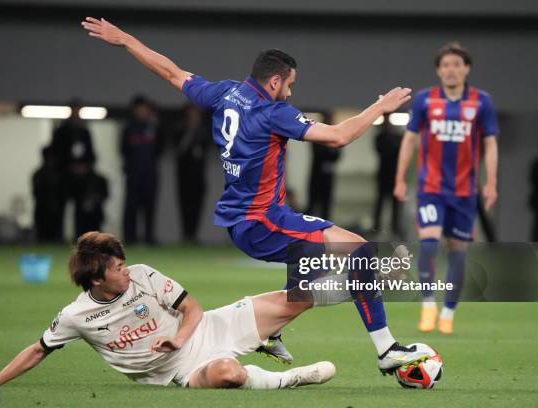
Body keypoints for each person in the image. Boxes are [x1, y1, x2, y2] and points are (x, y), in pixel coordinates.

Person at [82, 17, 424, 374]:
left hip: (247, 220)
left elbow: (171, 72)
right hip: (263, 221)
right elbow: (338, 136)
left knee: (305, 292)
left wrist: (125, 40)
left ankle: (271, 331)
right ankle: (386, 350)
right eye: (289, 85)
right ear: (274, 81)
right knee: (359, 252)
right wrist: (380, 108)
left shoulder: (224, 94)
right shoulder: (274, 112)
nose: (290, 92)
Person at [0, 232, 336, 389]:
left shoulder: (143, 275)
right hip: (183, 369)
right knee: (230, 374)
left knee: (299, 295)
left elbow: (193, 308)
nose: (127, 269)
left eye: (124, 263)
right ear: (96, 280)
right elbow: (39, 348)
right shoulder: (76, 316)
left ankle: (385, 273)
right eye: (118, 268)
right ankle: (292, 379)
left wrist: (178, 338)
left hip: (209, 327)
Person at [394, 42, 499, 334]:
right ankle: (428, 305)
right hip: (431, 188)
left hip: (465, 191)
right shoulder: (426, 100)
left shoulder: (481, 102)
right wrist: (401, 178)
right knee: (428, 243)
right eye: (446, 65)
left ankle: (449, 312)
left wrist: (491, 183)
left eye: (457, 64)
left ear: (466, 69)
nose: (451, 69)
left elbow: (490, 144)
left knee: (458, 251)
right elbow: (410, 139)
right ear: (439, 71)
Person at [50, 99, 97, 238]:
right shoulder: (61, 131)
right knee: (60, 207)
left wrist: (85, 167)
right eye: (74, 110)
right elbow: (55, 153)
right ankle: (57, 236)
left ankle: (80, 238)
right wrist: (66, 167)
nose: (76, 113)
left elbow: (90, 153)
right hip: (64, 175)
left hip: (81, 177)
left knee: (81, 210)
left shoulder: (84, 132)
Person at [121, 96, 161, 245]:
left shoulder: (154, 127)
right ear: (134, 110)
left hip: (150, 175)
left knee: (149, 207)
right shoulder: (129, 128)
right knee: (131, 207)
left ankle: (149, 238)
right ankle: (130, 238)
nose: (143, 112)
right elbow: (123, 150)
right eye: (140, 108)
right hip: (133, 174)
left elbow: (159, 149)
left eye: (145, 109)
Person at [172, 104, 210, 243]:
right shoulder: (180, 129)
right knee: (184, 203)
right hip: (184, 174)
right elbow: (179, 150)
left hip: (198, 175)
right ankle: (186, 233)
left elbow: (207, 148)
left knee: (197, 204)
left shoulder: (204, 130)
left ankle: (193, 234)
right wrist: (191, 131)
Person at [372, 114, 402, 237]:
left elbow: (399, 151)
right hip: (384, 175)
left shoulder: (397, 137)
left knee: (396, 204)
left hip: (395, 175)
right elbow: (384, 151)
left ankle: (396, 228)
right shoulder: (380, 137)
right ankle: (376, 227)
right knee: (380, 202)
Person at [32, 146, 65, 241]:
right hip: (42, 210)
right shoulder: (39, 174)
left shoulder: (59, 174)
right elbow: (36, 193)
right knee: (42, 236)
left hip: (56, 211)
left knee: (56, 236)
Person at [306, 141, 341, 221]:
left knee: (326, 203)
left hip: (328, 177)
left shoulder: (333, 142)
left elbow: (337, 154)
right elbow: (318, 152)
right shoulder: (317, 140)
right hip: (316, 176)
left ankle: (325, 224)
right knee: (314, 202)